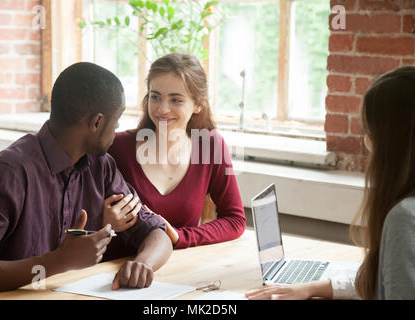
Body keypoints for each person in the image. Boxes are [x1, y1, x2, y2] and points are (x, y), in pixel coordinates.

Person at [0, 62, 172, 294]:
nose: (118, 128)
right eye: (117, 119)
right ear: (97, 123)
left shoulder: (101, 165)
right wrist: (59, 261)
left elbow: (156, 233)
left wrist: (143, 264)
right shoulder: (8, 172)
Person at [245, 66, 415, 300]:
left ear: (392, 142)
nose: (366, 143)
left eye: (370, 132)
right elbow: (389, 279)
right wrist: (314, 287)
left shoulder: (405, 218)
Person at [107, 53, 246, 249]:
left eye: (176, 100)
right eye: (155, 97)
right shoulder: (116, 147)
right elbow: (79, 217)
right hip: (122, 269)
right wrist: (104, 221)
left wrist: (182, 237)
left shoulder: (209, 146)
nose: (162, 109)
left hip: (180, 270)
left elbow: (235, 220)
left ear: (198, 105)